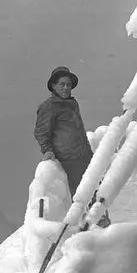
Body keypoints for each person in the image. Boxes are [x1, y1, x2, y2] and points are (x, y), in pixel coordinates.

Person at [34, 66, 94, 197]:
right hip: (69, 159)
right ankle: (88, 218)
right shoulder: (48, 106)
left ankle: (100, 217)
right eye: (62, 84)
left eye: (68, 85)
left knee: (95, 188)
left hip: (85, 155)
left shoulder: (73, 103)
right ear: (53, 86)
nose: (66, 88)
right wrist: (47, 150)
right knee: (82, 194)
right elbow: (41, 132)